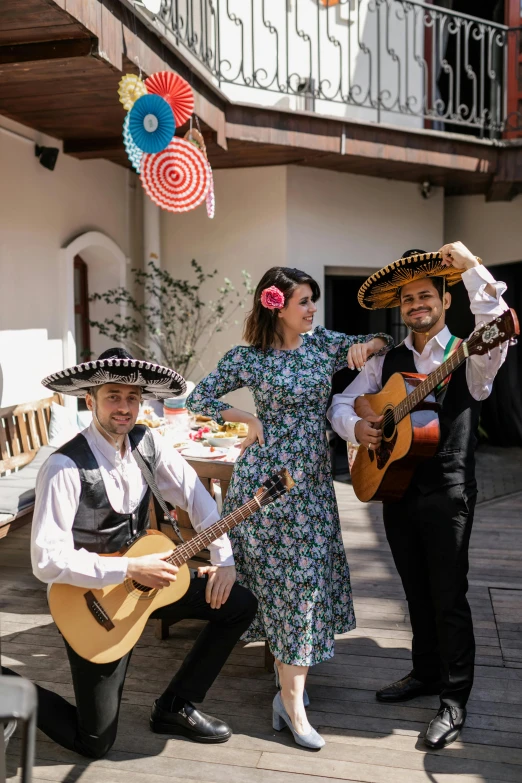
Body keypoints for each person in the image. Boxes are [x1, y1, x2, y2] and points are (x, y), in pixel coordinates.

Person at [2, 347, 258, 759]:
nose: (124, 407)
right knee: (94, 743)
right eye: (113, 396)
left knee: (239, 604)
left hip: (150, 583)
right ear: (90, 401)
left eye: (133, 398)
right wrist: (129, 567)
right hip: (92, 604)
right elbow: (46, 561)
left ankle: (174, 707)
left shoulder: (146, 443)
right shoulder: (64, 467)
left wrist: (222, 560)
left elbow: (197, 498)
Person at [187, 266, 393, 749]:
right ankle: (294, 703)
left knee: (304, 588)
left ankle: (288, 695)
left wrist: (370, 347)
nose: (312, 309)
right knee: (284, 591)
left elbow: (382, 335)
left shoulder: (322, 344)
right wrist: (245, 417)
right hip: (265, 491)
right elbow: (199, 396)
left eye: (313, 301)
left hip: (313, 490)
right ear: (276, 305)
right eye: (303, 301)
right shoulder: (250, 358)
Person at [328, 242, 509, 749]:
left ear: (446, 300)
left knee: (448, 597)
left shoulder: (473, 353)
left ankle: (454, 699)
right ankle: (425, 673)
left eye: (426, 296)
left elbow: (496, 315)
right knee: (414, 591)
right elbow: (341, 403)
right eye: (407, 300)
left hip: (449, 492)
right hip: (394, 487)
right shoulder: (386, 358)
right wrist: (358, 427)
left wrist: (471, 267)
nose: (416, 306)